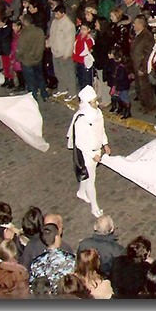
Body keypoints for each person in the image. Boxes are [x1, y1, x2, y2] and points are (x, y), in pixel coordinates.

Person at [67, 85, 110, 218]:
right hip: (87, 153)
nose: (96, 104)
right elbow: (80, 142)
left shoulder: (97, 113)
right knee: (91, 179)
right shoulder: (82, 119)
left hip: (96, 150)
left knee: (89, 175)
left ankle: (81, 192)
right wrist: (92, 155)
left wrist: (105, 144)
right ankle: (94, 206)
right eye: (93, 102)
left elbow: (101, 130)